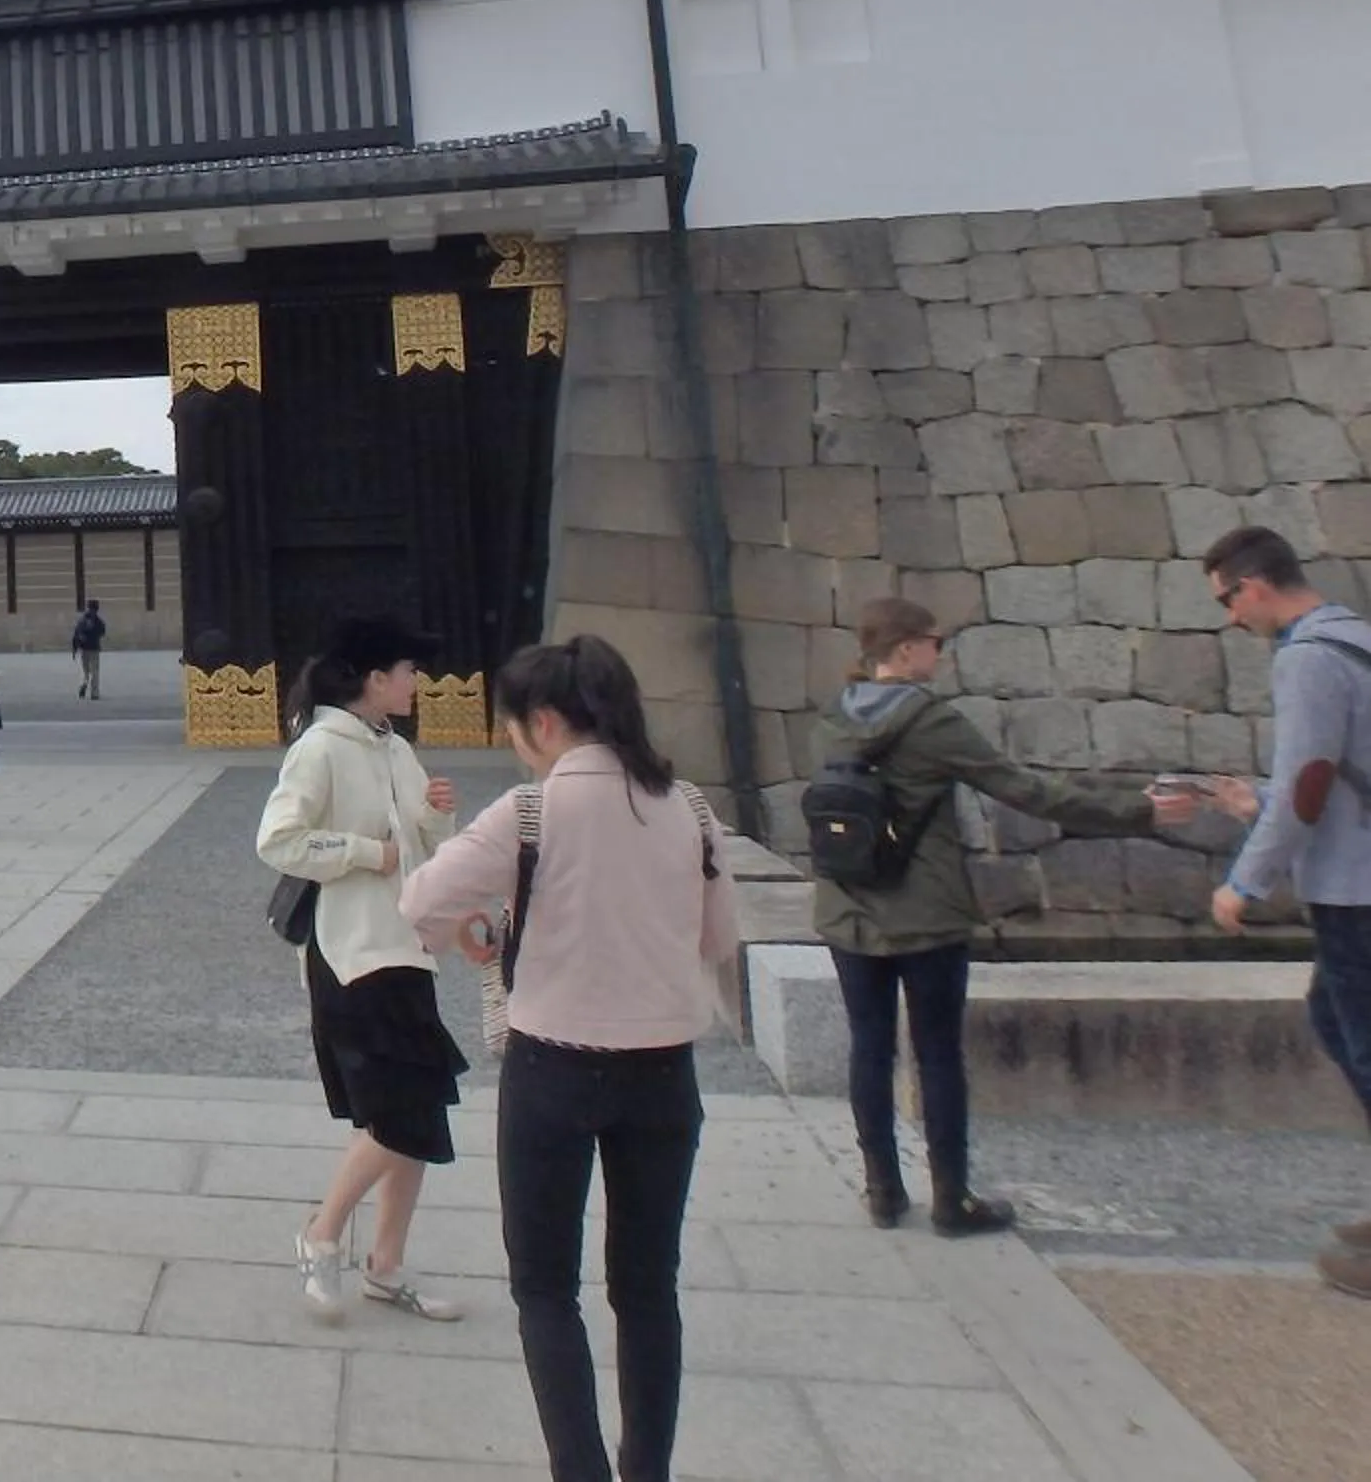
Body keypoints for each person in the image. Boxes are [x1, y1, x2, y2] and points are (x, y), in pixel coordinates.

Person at [401, 636, 737, 1482]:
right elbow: (718, 938)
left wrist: (497, 917)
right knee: (648, 1287)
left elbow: (422, 899)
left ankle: (579, 1470)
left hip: (551, 1068)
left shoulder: (529, 812)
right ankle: (646, 1470)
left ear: (542, 722)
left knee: (547, 1289)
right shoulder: (689, 808)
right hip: (663, 1073)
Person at [805, 598, 1196, 1236]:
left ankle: (881, 1189)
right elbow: (1027, 791)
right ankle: (952, 1201)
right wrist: (1139, 811)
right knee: (937, 1055)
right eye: (935, 641)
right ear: (905, 650)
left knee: (868, 1048)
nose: (941, 652)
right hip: (926, 913)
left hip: (847, 908)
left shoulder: (829, 720)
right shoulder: (932, 722)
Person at [256, 615, 465, 1322]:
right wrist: (361, 852)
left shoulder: (395, 749)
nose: (416, 682)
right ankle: (321, 1232)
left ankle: (386, 1265)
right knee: (397, 1107)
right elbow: (278, 841)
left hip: (405, 946)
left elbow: (416, 846)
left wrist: (435, 819)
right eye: (408, 670)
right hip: (349, 953)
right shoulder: (320, 747)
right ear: (375, 678)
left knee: (422, 1109)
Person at [1200, 527, 1371, 1299]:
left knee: (1362, 1044)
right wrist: (1253, 803)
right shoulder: (1356, 638)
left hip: (1354, 888)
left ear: (1255, 586)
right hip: (1358, 872)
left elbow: (1308, 788)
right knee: (1335, 1023)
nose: (1231, 619)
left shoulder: (1305, 659)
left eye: (1227, 601)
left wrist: (1245, 882)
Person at [73, 598, 108, 699]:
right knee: (94, 672)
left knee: (87, 671)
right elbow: (102, 632)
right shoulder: (98, 621)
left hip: (85, 649)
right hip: (93, 648)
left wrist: (75, 648)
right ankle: (94, 693)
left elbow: (76, 634)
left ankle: (85, 685)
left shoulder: (82, 620)